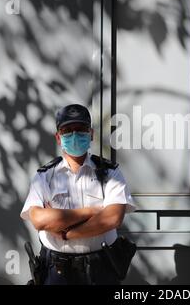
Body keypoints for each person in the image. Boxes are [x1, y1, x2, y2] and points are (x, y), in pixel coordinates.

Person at [20, 104, 136, 285]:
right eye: (67, 130)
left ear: (91, 134)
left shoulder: (110, 173)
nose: (74, 135)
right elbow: (39, 220)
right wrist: (91, 212)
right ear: (58, 138)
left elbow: (112, 218)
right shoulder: (44, 176)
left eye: (80, 129)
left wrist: (66, 233)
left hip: (100, 269)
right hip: (56, 271)